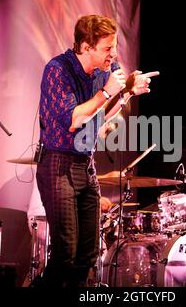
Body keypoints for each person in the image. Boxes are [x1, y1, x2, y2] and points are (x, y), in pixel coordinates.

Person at [36, 14, 158, 287]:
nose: (113, 54)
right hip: (58, 165)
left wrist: (126, 93)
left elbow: (100, 116)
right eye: (107, 48)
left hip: (85, 165)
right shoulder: (58, 69)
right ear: (86, 47)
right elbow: (74, 120)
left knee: (88, 255)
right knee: (65, 253)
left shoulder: (104, 71)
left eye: (114, 47)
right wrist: (106, 91)